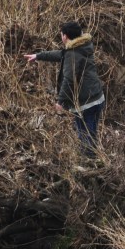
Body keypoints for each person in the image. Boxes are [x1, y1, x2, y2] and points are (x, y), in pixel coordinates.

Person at [25, 21, 105, 160]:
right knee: (90, 133)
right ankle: (93, 160)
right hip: (96, 97)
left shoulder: (73, 54)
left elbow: (68, 80)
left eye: (61, 34)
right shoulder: (83, 46)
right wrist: (38, 56)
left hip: (86, 103)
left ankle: (92, 164)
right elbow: (61, 54)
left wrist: (60, 102)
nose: (61, 37)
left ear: (65, 37)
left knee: (85, 135)